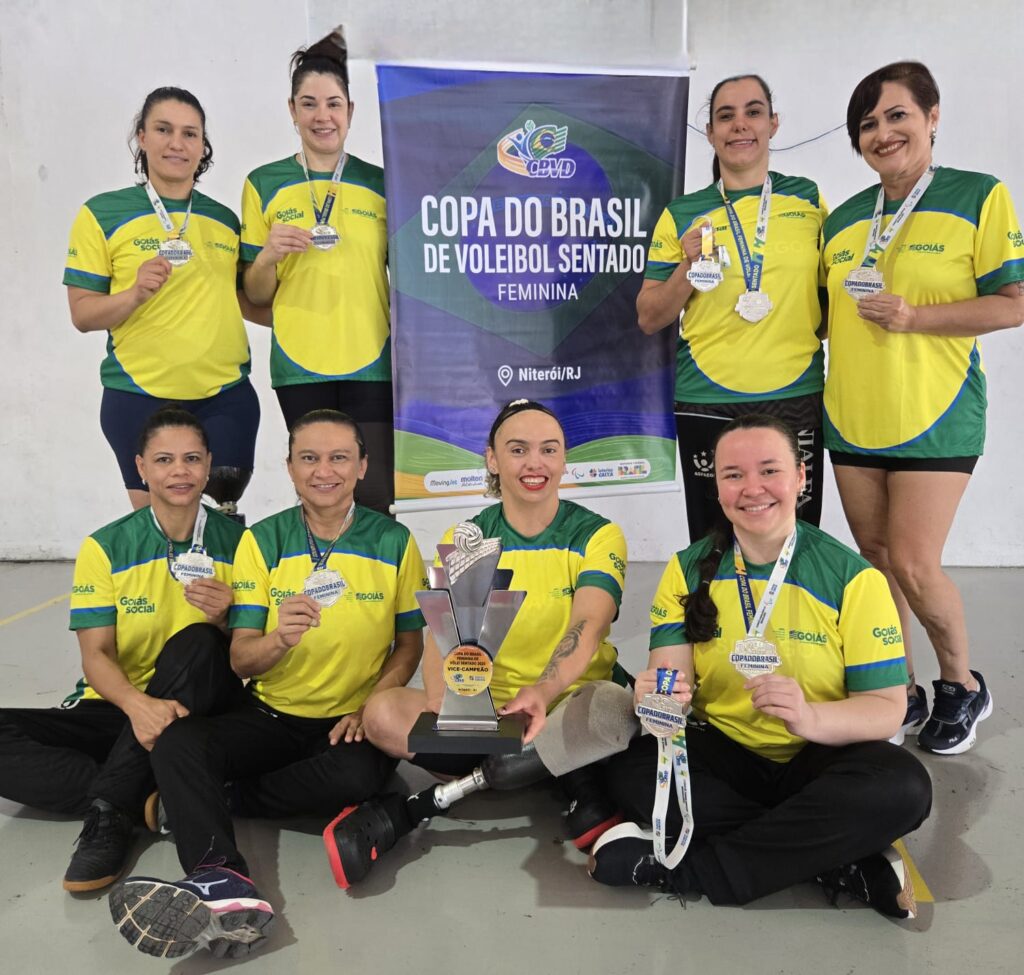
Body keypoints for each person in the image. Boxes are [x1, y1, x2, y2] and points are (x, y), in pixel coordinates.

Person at [108, 410, 426, 959]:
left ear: (362, 466)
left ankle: (220, 796)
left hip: (346, 724)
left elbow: (409, 645)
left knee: (358, 775)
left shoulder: (394, 540)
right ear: (290, 467)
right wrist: (280, 639)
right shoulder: (264, 541)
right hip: (270, 715)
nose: (323, 471)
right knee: (180, 742)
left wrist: (375, 703)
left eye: (338, 458)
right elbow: (241, 659)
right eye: (309, 458)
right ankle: (221, 878)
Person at [589, 415, 932, 920]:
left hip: (820, 755)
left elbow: (886, 708)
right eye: (733, 475)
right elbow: (669, 678)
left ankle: (686, 871)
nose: (752, 489)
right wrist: (658, 699)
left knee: (904, 787)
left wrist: (810, 717)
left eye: (769, 470)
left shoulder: (853, 578)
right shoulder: (688, 568)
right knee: (631, 770)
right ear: (719, 487)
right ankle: (831, 855)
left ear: (800, 477)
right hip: (725, 750)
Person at [322, 399, 630, 887]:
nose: (535, 463)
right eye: (518, 449)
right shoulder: (467, 537)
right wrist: (444, 697)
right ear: (492, 460)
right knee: (382, 713)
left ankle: (483, 781)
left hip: (566, 701)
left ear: (563, 458)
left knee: (612, 707)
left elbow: (587, 626)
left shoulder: (596, 535)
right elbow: (441, 631)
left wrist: (542, 695)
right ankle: (564, 775)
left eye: (548, 450)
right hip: (495, 717)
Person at [821, 61, 1024, 754]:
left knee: (913, 561)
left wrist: (917, 317)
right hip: (850, 416)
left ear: (932, 117)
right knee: (876, 560)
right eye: (868, 124)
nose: (882, 133)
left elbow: (1012, 302)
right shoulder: (844, 218)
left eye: (897, 115)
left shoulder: (979, 196)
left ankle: (961, 684)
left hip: (935, 415)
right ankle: (897, 686)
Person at [0, 408, 245, 892]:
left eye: (192, 458)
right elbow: (96, 657)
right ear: (141, 467)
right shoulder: (106, 547)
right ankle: (147, 792)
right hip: (124, 707)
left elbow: (247, 653)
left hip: (201, 711)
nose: (180, 471)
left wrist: (226, 617)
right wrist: (139, 706)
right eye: (164, 459)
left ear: (209, 464)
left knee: (198, 641)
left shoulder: (243, 544)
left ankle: (111, 810)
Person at [638, 74, 827, 542]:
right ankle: (712, 620)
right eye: (726, 115)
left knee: (794, 538)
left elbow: (827, 302)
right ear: (711, 132)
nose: (740, 125)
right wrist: (688, 265)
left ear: (773, 123)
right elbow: (649, 316)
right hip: (707, 398)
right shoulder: (682, 213)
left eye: (753, 111)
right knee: (712, 542)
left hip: (794, 394)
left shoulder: (807, 199)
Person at [64, 87, 263, 517]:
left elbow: (248, 302)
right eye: (164, 129)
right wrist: (134, 293)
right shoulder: (103, 213)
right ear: (142, 137)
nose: (177, 143)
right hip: (139, 396)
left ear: (203, 145)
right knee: (161, 533)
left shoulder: (225, 220)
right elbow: (82, 314)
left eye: (190, 133)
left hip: (224, 396)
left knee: (220, 533)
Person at [241, 27, 394, 515]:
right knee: (320, 494)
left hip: (372, 361)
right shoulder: (263, 184)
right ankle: (322, 590)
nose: (321, 116)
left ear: (350, 111)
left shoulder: (383, 182)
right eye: (308, 104)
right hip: (299, 363)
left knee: (373, 497)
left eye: (333, 103)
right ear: (292, 111)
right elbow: (256, 293)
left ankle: (373, 590)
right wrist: (267, 257)